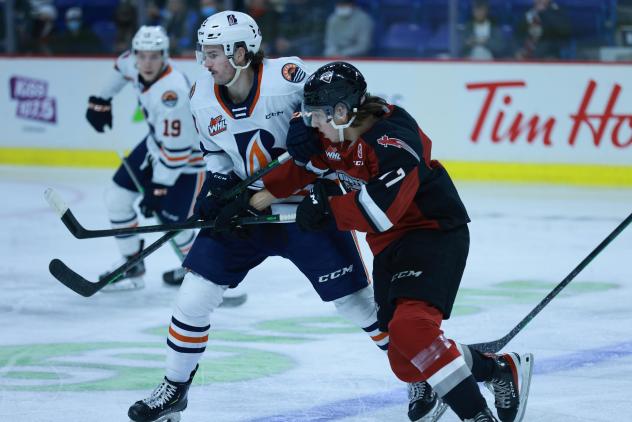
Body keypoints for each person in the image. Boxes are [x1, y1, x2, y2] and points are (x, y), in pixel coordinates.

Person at [126, 11, 441, 422]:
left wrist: (305, 133)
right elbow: (216, 152)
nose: (205, 62)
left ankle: (420, 377)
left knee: (358, 306)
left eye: (215, 53)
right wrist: (218, 188)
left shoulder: (289, 79)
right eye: (204, 53)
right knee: (193, 298)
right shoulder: (201, 95)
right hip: (246, 213)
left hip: (307, 211)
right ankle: (175, 388)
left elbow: (338, 119)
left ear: (242, 52)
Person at [256, 62, 535, 421]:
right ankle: (496, 369)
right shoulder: (336, 133)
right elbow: (305, 167)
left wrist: (326, 206)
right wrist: (246, 199)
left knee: (410, 329)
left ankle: (477, 416)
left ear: (341, 111)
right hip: (388, 246)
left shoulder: (391, 137)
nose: (314, 125)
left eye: (316, 117)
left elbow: (380, 212)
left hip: (433, 233)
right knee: (404, 362)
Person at [85, 25, 205, 291]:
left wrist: (159, 188)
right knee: (118, 198)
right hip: (156, 146)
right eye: (142, 55)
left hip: (187, 162)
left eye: (154, 56)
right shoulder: (133, 62)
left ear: (165, 55)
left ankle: (199, 271)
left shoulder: (172, 93)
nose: (147, 62)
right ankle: (132, 264)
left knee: (174, 223)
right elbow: (120, 68)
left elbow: (178, 151)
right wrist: (100, 100)